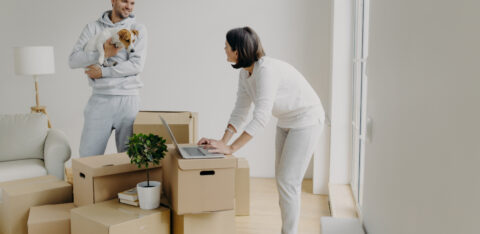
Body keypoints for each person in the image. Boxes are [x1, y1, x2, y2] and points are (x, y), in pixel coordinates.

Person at [198, 26, 325, 234]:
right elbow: (240, 111)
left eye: (227, 46)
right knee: (282, 179)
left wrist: (232, 148)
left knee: (288, 181)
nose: (224, 49)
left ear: (237, 51)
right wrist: (223, 142)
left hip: (307, 119)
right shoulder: (245, 74)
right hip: (286, 121)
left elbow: (261, 117)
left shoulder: (266, 71)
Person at [69, 0, 147, 157]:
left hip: (128, 100)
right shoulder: (93, 28)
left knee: (130, 160)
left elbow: (136, 65)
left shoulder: (137, 29)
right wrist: (104, 52)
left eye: (132, 3)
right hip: (100, 99)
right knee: (88, 158)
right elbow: (73, 60)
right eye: (125, 1)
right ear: (113, 1)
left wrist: (103, 72)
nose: (129, 7)